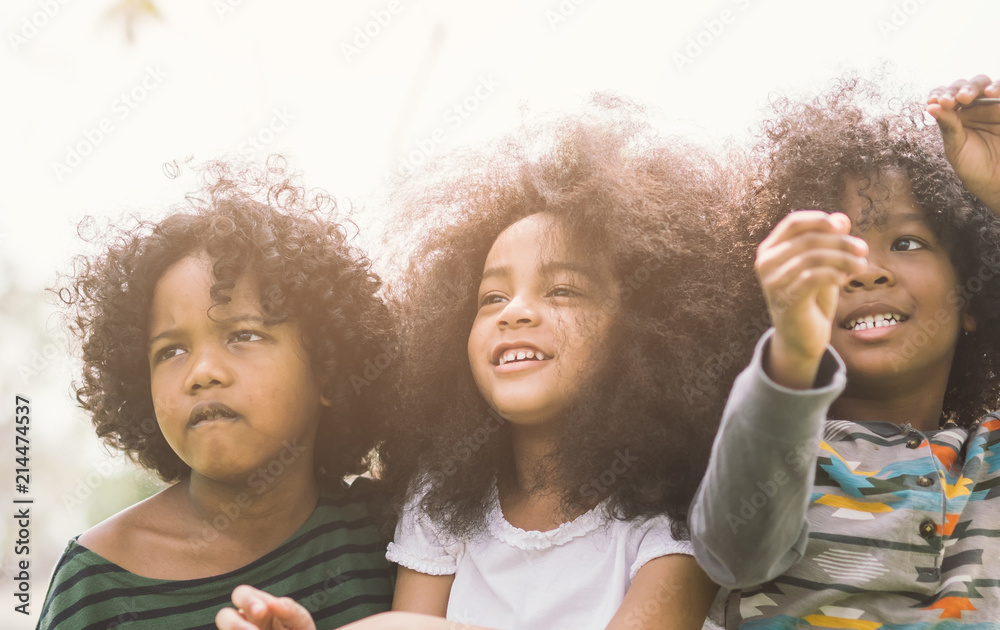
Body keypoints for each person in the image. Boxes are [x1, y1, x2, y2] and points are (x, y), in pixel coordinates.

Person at [216, 100, 746, 630]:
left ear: (646, 330)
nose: (515, 312)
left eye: (562, 290)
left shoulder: (676, 512)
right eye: (491, 297)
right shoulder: (444, 495)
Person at [689, 75, 1000, 626]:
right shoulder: (774, 453)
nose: (866, 271)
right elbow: (734, 554)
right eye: (835, 251)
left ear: (975, 290)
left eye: (906, 242)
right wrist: (794, 349)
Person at [37, 161, 396, 630]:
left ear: (328, 370)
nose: (202, 372)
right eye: (172, 350)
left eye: (244, 335)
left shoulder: (390, 536)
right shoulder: (96, 584)